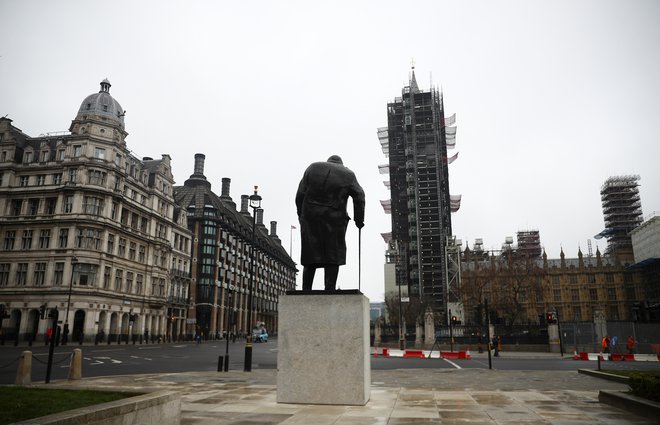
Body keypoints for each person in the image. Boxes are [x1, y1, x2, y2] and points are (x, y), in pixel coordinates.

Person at [296, 155, 365, 291]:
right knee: (333, 253)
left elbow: (299, 194)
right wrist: (359, 219)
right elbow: (359, 196)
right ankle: (329, 289)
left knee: (310, 253)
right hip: (335, 218)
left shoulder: (312, 167)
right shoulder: (348, 174)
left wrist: (301, 215)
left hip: (310, 216)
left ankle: (306, 289)